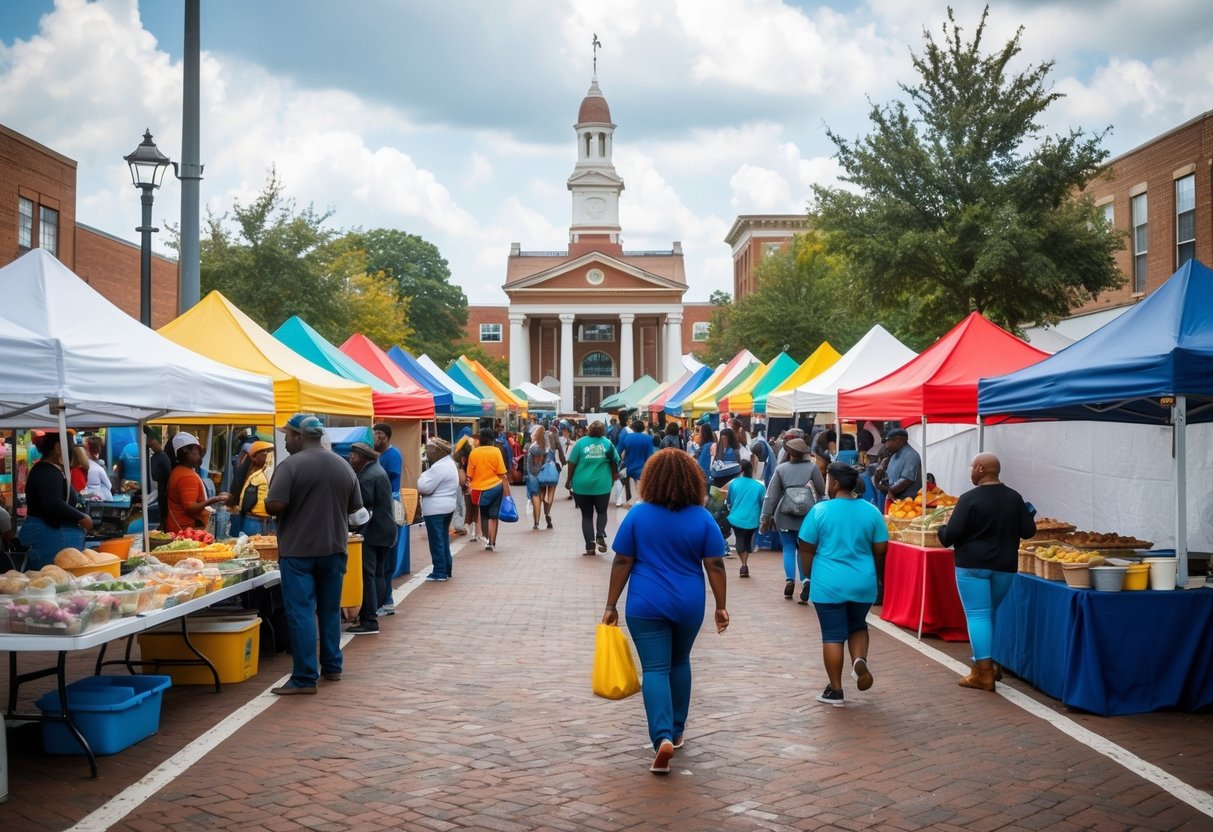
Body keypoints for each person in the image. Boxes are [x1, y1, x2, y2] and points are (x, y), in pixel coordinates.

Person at [601, 448, 729, 774]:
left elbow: (622, 560)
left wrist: (611, 604)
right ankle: (677, 729)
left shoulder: (638, 515)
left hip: (645, 602)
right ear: (692, 480)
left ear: (651, 480)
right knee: (680, 661)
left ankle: (661, 739)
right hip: (689, 601)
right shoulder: (702, 517)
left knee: (655, 669)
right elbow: (714, 563)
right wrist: (721, 606)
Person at [265, 414, 363, 694]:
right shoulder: (343, 465)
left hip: (299, 552)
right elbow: (355, 508)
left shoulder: (290, 466)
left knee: (302, 613)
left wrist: (269, 500)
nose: (285, 439)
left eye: (288, 435)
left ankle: (305, 677)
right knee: (330, 611)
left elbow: (275, 505)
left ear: (299, 436)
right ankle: (332, 666)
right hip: (334, 549)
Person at [937, 452, 1037, 691]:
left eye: (972, 466)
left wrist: (943, 526)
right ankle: (985, 665)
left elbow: (949, 537)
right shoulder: (1014, 497)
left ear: (981, 469)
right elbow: (1029, 531)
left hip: (972, 565)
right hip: (1004, 566)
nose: (970, 470)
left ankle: (984, 675)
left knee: (978, 615)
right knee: (988, 614)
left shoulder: (969, 498)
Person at [798, 462, 889, 707]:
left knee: (832, 635)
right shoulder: (872, 511)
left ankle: (835, 690)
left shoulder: (820, 511)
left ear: (835, 483)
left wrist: (808, 574)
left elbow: (805, 546)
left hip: (828, 582)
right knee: (858, 625)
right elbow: (881, 549)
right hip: (862, 582)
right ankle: (859, 660)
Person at [760, 437, 826, 603]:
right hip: (807, 515)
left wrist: (765, 517)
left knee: (788, 547)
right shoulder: (812, 467)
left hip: (785, 514)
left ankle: (790, 580)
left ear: (788, 452)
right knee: (804, 548)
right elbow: (821, 489)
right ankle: (805, 580)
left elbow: (771, 496)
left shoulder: (781, 469)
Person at [18, 431, 93, 569]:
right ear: (58, 448)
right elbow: (53, 502)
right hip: (50, 542)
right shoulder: (47, 472)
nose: (72, 454)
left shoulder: (52, 470)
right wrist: (82, 518)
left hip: (58, 540)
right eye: (70, 449)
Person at [346, 441, 397, 635]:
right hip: (384, 530)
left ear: (364, 458)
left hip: (373, 532)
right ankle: (374, 611)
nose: (351, 458)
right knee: (377, 573)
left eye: (354, 455)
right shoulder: (376, 470)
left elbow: (361, 506)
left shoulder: (368, 477)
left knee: (368, 574)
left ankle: (369, 619)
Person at [565, 420, 621, 556]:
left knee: (587, 516)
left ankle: (590, 547)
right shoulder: (607, 444)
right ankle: (600, 533)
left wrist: (569, 480)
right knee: (602, 512)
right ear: (602, 431)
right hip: (602, 485)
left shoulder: (580, 443)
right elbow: (617, 461)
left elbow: (571, 463)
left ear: (589, 429)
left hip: (582, 485)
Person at [164, 433, 229, 533]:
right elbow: (191, 509)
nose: (199, 457)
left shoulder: (178, 470)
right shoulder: (186, 476)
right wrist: (214, 499)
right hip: (186, 531)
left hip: (180, 528)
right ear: (185, 452)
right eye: (196, 453)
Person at [418, 438, 459, 581]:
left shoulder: (439, 467)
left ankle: (439, 572)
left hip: (436, 509)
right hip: (446, 507)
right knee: (443, 540)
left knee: (437, 542)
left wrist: (422, 476)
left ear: (439, 452)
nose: (427, 453)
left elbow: (424, 487)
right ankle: (446, 568)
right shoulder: (448, 463)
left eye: (429, 449)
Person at [466, 427, 511, 552]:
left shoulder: (474, 453)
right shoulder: (496, 451)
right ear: (492, 439)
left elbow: (469, 474)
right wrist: (507, 491)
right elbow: (502, 472)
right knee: (494, 515)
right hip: (496, 486)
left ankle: (486, 539)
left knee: (484, 514)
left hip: (479, 490)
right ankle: (492, 542)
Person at [726, 459, 766, 578]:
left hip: (736, 517)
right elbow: (763, 502)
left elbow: (729, 501)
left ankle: (743, 564)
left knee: (740, 540)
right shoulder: (759, 486)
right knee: (747, 541)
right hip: (752, 519)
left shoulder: (733, 483)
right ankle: (744, 563)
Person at [236, 440, 277, 536]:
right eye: (251, 457)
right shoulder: (255, 474)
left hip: (265, 522)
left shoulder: (273, 472)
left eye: (255, 456)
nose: (253, 460)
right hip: (254, 521)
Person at [874, 428, 922, 508]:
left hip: (909, 504)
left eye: (888, 441)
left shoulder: (911, 455)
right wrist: (880, 477)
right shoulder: (894, 456)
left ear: (898, 440)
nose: (886, 445)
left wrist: (889, 490)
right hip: (896, 502)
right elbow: (889, 478)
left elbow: (906, 480)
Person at [526, 425, 560, 530]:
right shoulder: (550, 444)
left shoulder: (533, 447)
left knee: (538, 496)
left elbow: (529, 465)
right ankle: (547, 513)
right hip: (550, 473)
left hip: (538, 475)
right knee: (550, 494)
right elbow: (557, 457)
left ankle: (536, 522)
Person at [618, 418, 655, 507]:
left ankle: (629, 505)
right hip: (643, 471)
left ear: (633, 428)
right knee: (641, 497)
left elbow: (618, 451)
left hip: (629, 470)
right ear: (643, 428)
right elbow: (651, 456)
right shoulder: (648, 439)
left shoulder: (627, 437)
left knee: (630, 496)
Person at [452, 426, 475, 537]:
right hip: (465, 476)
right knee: (464, 503)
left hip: (456, 476)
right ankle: (463, 525)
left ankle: (459, 525)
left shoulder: (458, 445)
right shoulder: (469, 446)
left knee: (458, 503)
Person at [84, 435, 114, 500]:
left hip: (86, 498)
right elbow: (109, 485)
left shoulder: (82, 465)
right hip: (99, 499)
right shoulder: (100, 466)